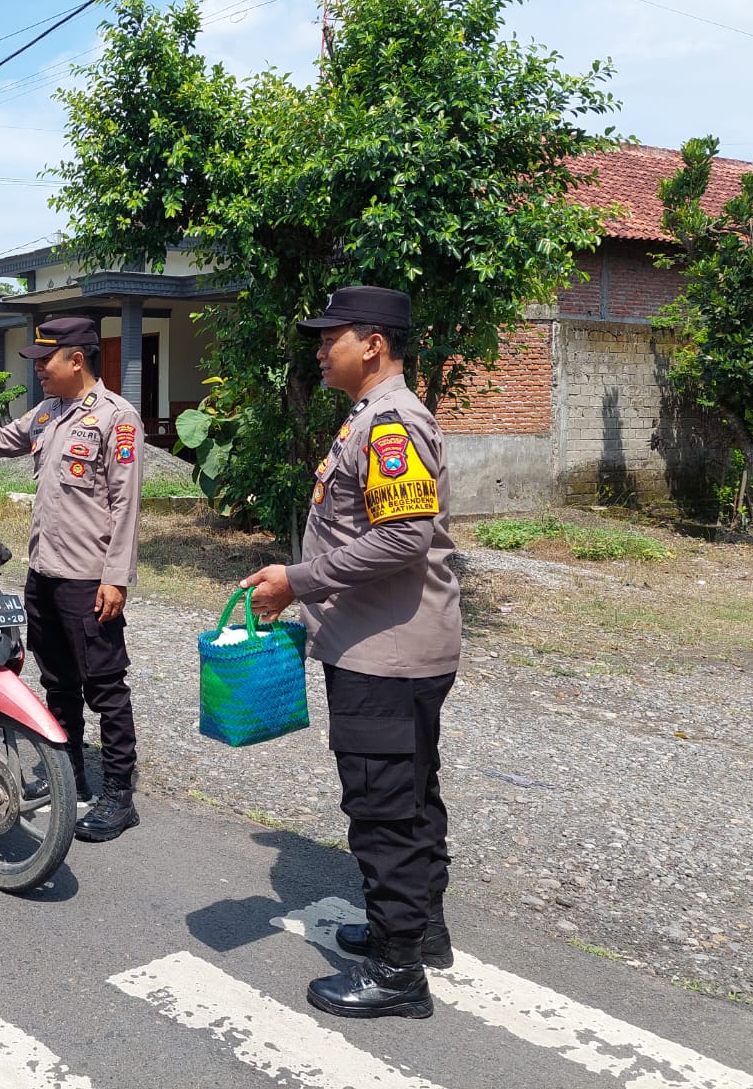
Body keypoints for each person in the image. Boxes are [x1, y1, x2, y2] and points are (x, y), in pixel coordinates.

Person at [240, 286, 461, 1020]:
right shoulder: (371, 418)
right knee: (411, 794)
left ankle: (399, 975)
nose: (318, 347)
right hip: (390, 645)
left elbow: (404, 538)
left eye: (329, 335)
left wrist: (297, 581)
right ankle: (419, 930)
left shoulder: (392, 423)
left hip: (385, 654)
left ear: (371, 343)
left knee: (382, 809)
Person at [0, 317, 144, 842]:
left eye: (46, 360)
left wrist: (117, 578)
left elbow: (125, 504)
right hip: (44, 575)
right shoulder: (48, 414)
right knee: (58, 683)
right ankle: (71, 776)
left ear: (77, 360)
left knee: (106, 687)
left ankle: (119, 794)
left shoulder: (117, 419)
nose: (38, 369)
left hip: (90, 579)